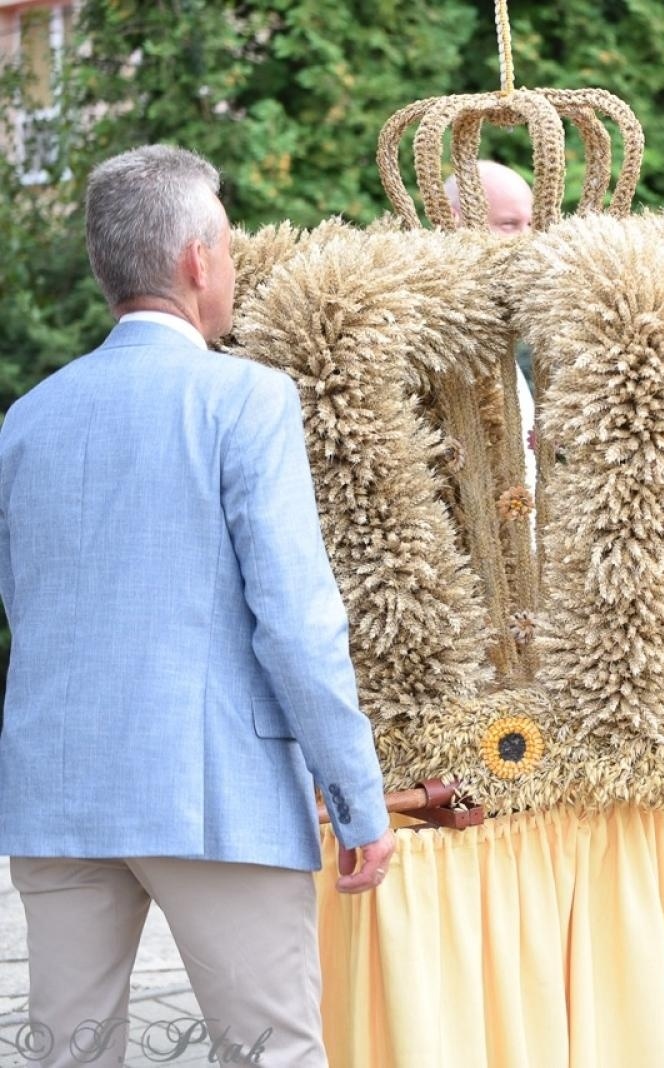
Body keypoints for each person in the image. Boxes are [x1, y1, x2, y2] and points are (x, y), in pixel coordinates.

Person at [0, 145, 394, 1068]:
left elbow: (28, 600)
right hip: (211, 786)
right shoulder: (245, 398)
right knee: (270, 1054)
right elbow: (296, 620)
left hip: (58, 783)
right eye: (225, 240)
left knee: (68, 1055)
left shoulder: (27, 418)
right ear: (195, 260)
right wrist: (357, 796)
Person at [444, 160, 539, 497]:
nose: (526, 240)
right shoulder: (444, 331)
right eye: (509, 224)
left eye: (530, 224)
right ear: (453, 220)